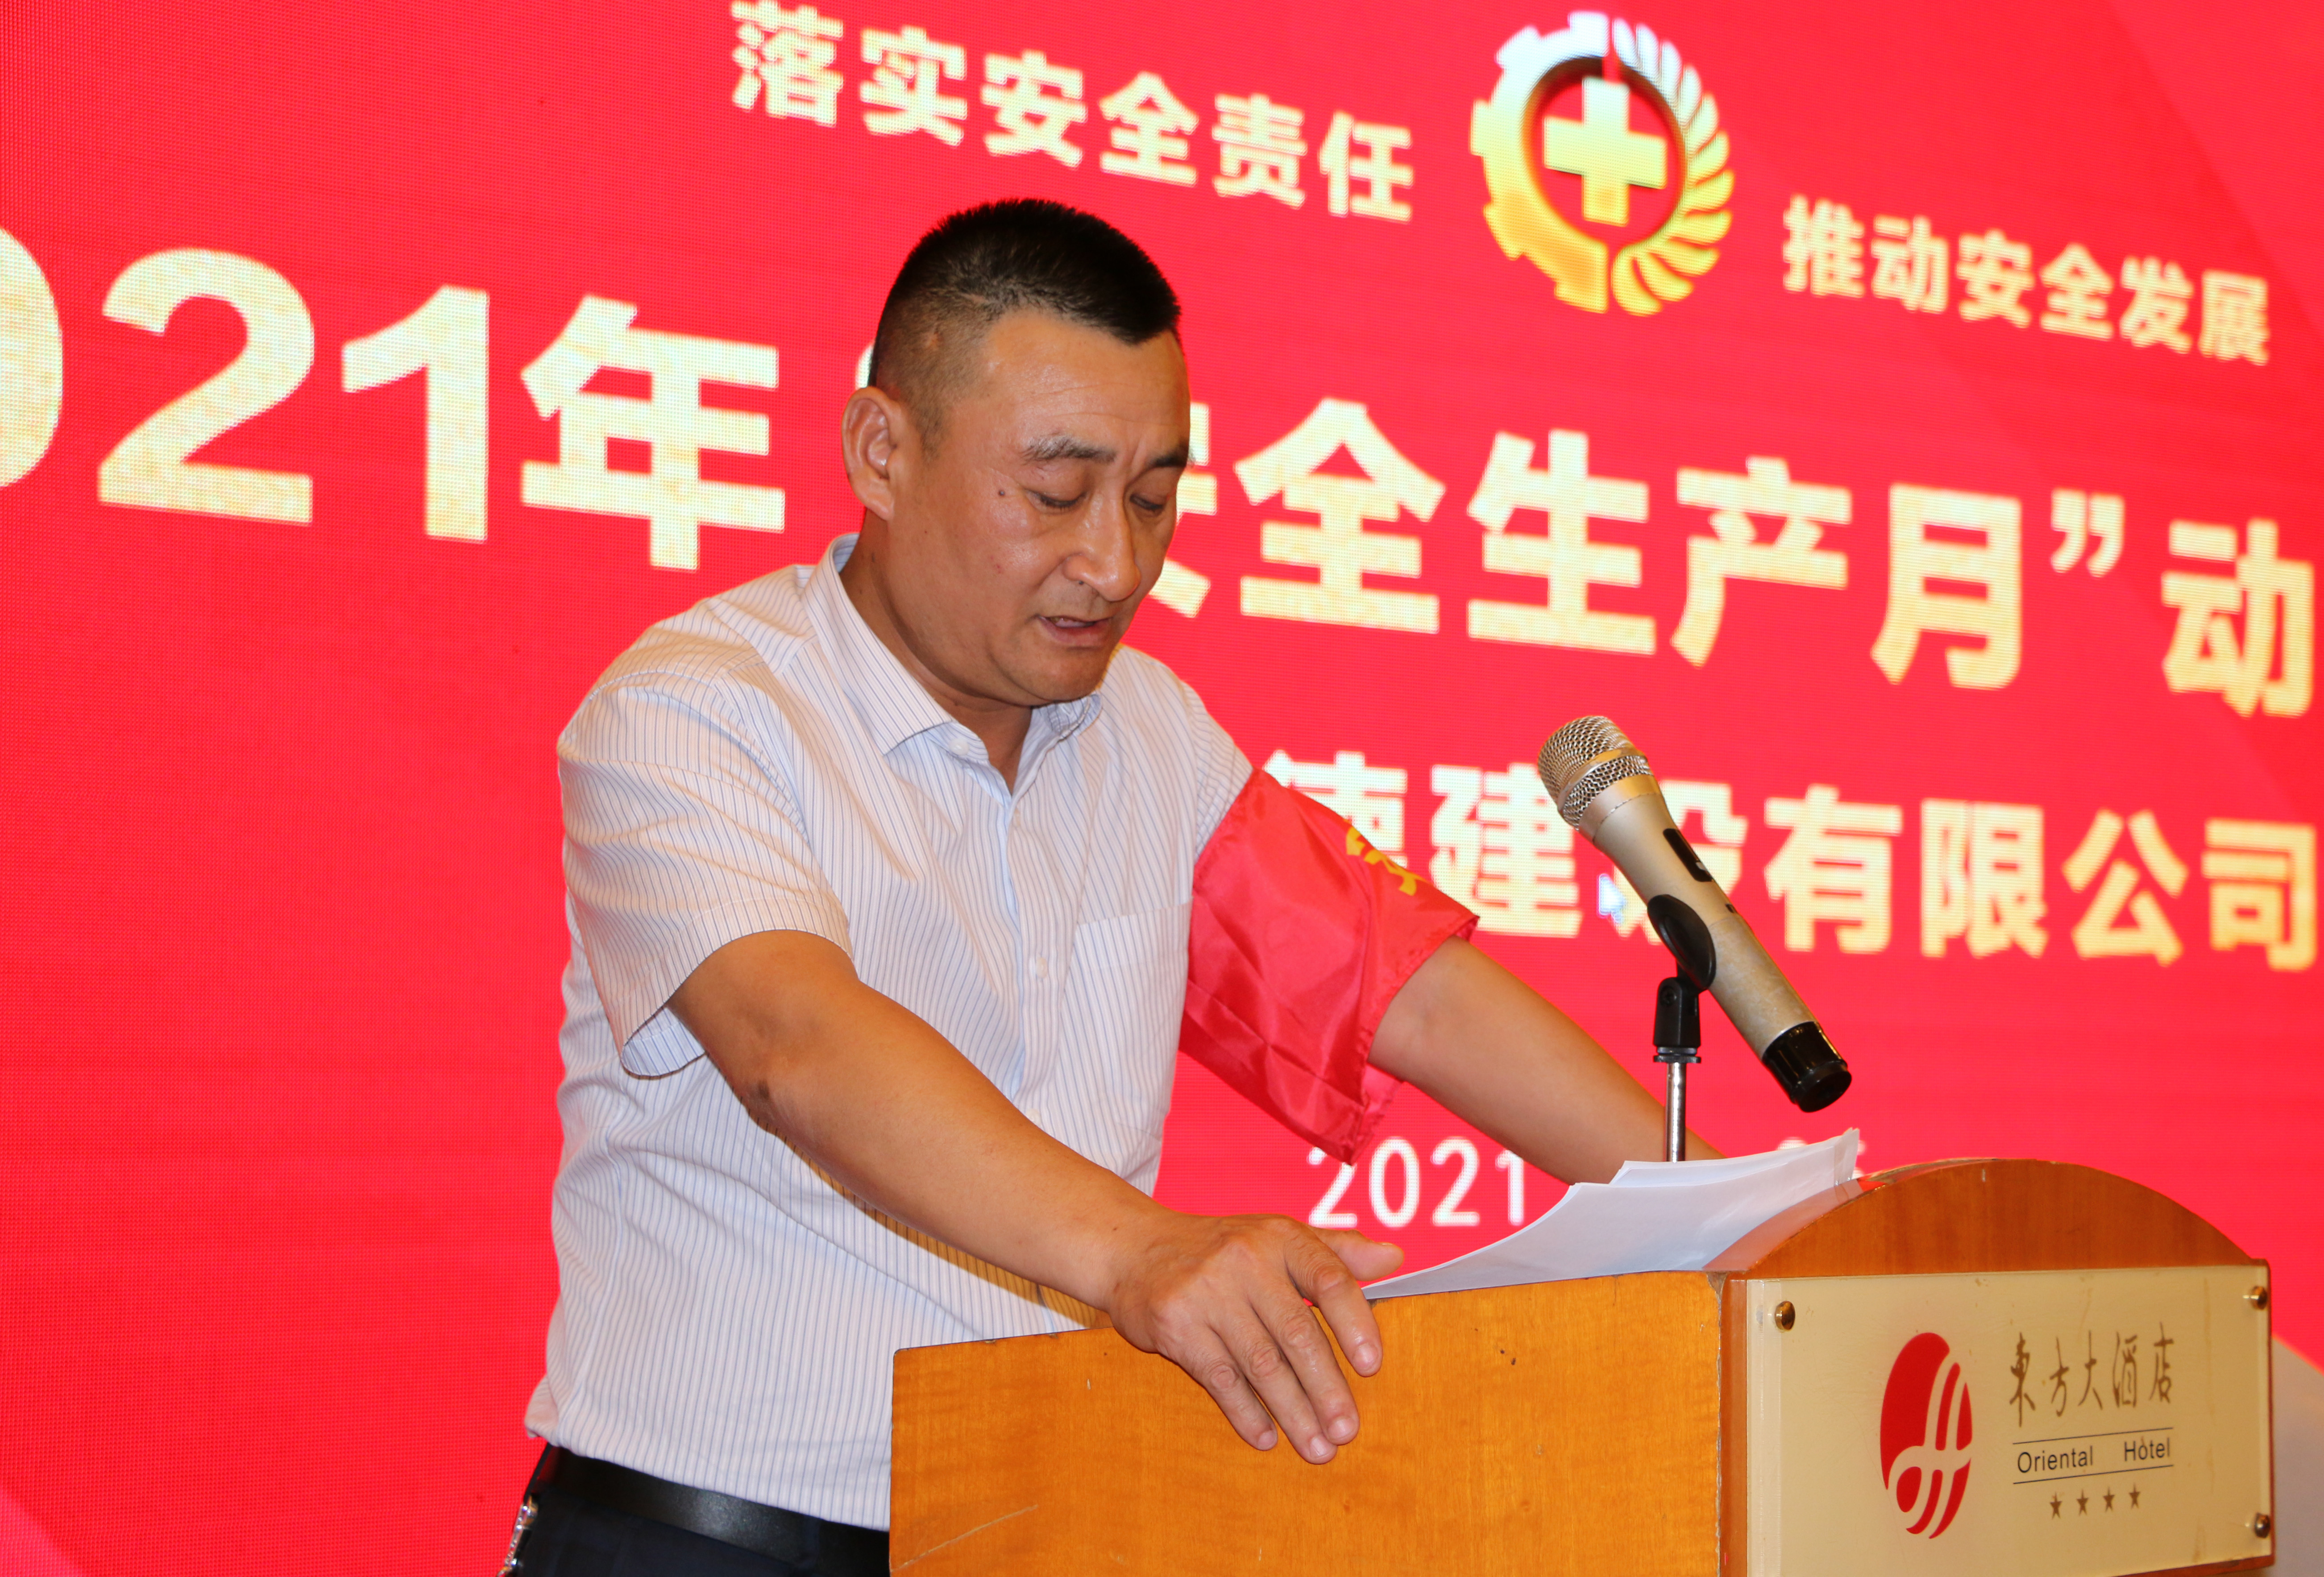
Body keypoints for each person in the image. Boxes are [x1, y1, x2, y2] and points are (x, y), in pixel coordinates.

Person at [506, 199, 1706, 1577]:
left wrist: (1741, 1226)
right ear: (882, 451)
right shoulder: (696, 711)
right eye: (1054, 494)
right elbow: (799, 1047)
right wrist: (1141, 1254)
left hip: (1044, 1530)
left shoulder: (1151, 733)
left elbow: (1403, 994)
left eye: (1151, 498)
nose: (1115, 564)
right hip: (711, 1537)